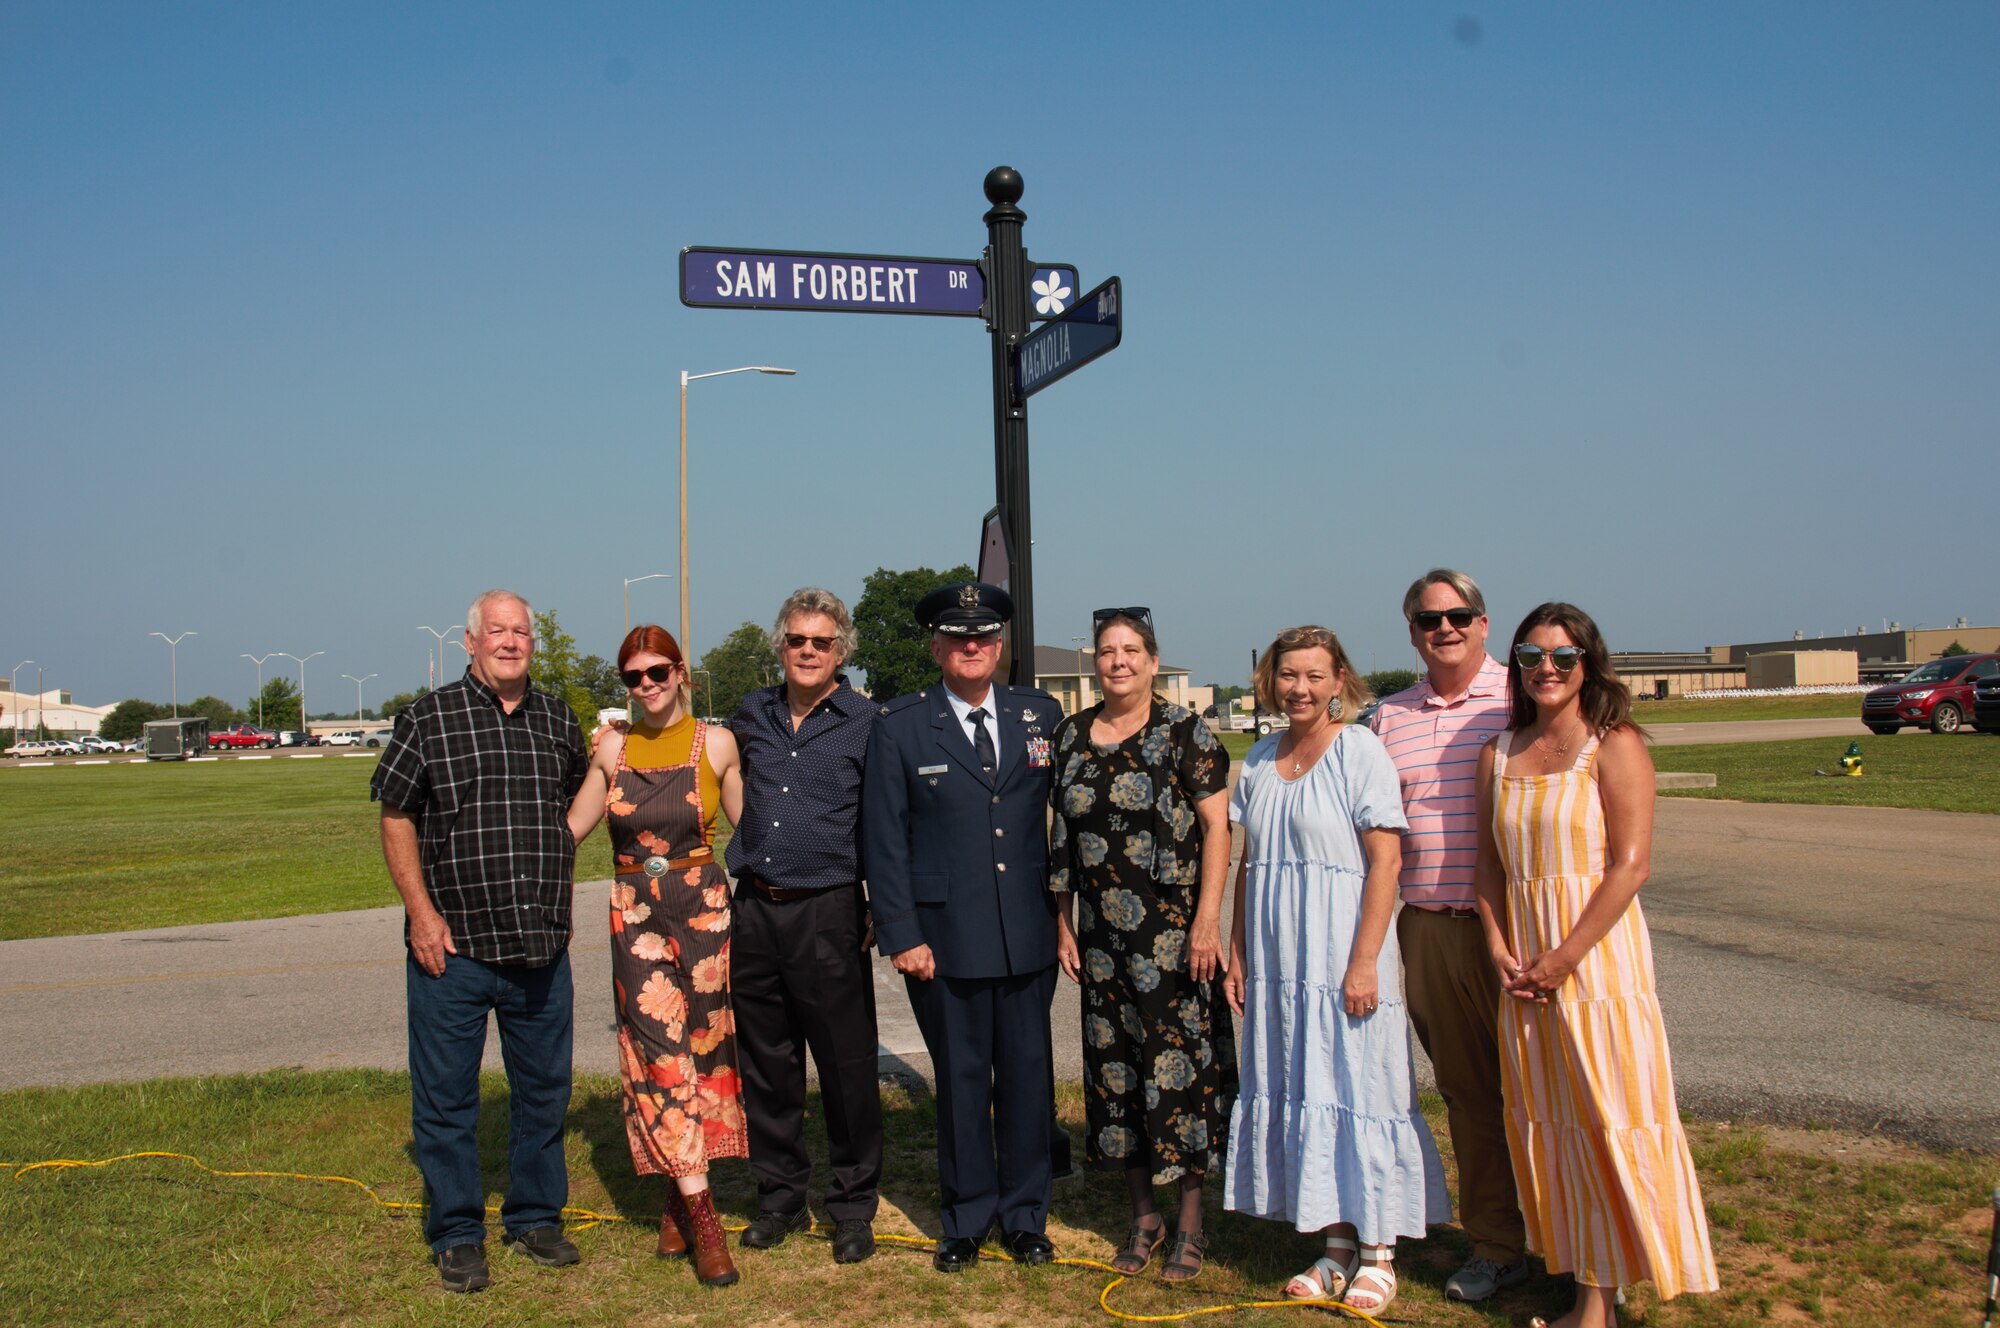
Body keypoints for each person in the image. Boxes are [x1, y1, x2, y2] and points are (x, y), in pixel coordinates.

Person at [1473, 604, 1717, 1328]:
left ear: (1588, 664)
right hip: (1522, 966)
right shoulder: (1499, 751)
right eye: (1531, 656)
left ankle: (1599, 1302)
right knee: (1551, 1122)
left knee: (1609, 1115)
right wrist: (1497, 947)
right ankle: (1587, 1285)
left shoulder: (1614, 745)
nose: (1546, 669)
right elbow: (1489, 868)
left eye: (1563, 656)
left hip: (1595, 964)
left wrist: (1565, 958)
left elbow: (1631, 865)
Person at [1223, 625, 1450, 1312]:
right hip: (1280, 957)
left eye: (1315, 676)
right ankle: (1337, 1243)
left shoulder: (1360, 751)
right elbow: (1250, 863)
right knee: (1304, 1080)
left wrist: (1362, 963)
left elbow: (1386, 861)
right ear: (1271, 680)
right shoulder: (1260, 760)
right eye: (1288, 675)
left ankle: (1380, 1251)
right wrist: (1237, 949)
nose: (1300, 688)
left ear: (1339, 681)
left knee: (1362, 1086)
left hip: (1345, 953)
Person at [371, 589, 591, 1294]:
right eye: (496, 630)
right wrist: (419, 912)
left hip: (538, 947)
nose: (510, 641)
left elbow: (578, 807)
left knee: (543, 1090)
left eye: (520, 631)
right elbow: (397, 815)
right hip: (453, 948)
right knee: (445, 1097)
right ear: (469, 641)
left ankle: (534, 1216)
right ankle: (458, 1231)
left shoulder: (558, 719)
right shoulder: (429, 718)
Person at [860, 581, 1065, 1273]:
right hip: (943, 942)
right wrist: (901, 933)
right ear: (936, 646)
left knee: (1029, 1080)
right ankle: (966, 1217)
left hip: (1028, 933)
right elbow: (883, 841)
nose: (970, 646)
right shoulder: (900, 725)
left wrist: (1067, 917)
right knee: (963, 1082)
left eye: (982, 636)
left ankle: (1026, 1216)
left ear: (1000, 646)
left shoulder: (1041, 715)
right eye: (956, 636)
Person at [1049, 607, 1235, 1283]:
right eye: (1106, 651)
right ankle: (1143, 1216)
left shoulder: (1186, 733)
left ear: (1154, 661)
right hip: (1099, 937)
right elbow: (1062, 841)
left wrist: (1208, 922)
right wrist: (1064, 922)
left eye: (1131, 650)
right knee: (1117, 1071)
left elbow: (1218, 831)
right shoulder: (1071, 736)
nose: (1118, 661)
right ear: (1094, 663)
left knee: (1175, 1070)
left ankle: (1189, 1221)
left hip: (1172, 937)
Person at [566, 624, 749, 1288]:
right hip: (634, 915)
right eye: (634, 677)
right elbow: (572, 828)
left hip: (705, 912)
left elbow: (752, 835)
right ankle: (706, 1224)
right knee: (660, 1059)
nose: (647, 685)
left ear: (681, 673)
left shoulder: (718, 743)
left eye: (658, 672)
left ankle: (677, 1200)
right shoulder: (611, 748)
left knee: (704, 1055)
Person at [1368, 569, 1531, 1302]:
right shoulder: (1388, 719)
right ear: (1412, 632)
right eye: (1430, 619)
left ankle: (1570, 1243)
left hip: (1519, 931)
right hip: (1429, 928)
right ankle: (1496, 1244)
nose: (1446, 629)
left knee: (1544, 1094)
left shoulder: (1524, 698)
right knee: (1468, 1096)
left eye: (1459, 616)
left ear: (1485, 623)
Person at [725, 588, 883, 1264]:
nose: (808, 651)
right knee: (768, 1065)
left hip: (828, 910)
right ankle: (780, 1196)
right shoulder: (751, 713)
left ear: (841, 650)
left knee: (846, 1067)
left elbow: (885, 821)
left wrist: (879, 906)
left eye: (821, 641)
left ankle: (851, 1206)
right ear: (781, 646)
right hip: (755, 907)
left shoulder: (867, 721)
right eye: (797, 641)